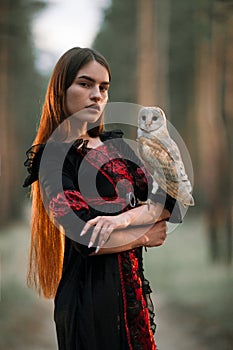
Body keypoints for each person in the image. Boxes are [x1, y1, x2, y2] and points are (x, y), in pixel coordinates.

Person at [23, 47, 181, 350]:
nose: (97, 94)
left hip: (132, 296)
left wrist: (124, 219)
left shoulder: (117, 147)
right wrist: (145, 234)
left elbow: (170, 203)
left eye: (103, 87)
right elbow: (86, 239)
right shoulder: (54, 158)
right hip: (88, 304)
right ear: (61, 90)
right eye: (85, 84)